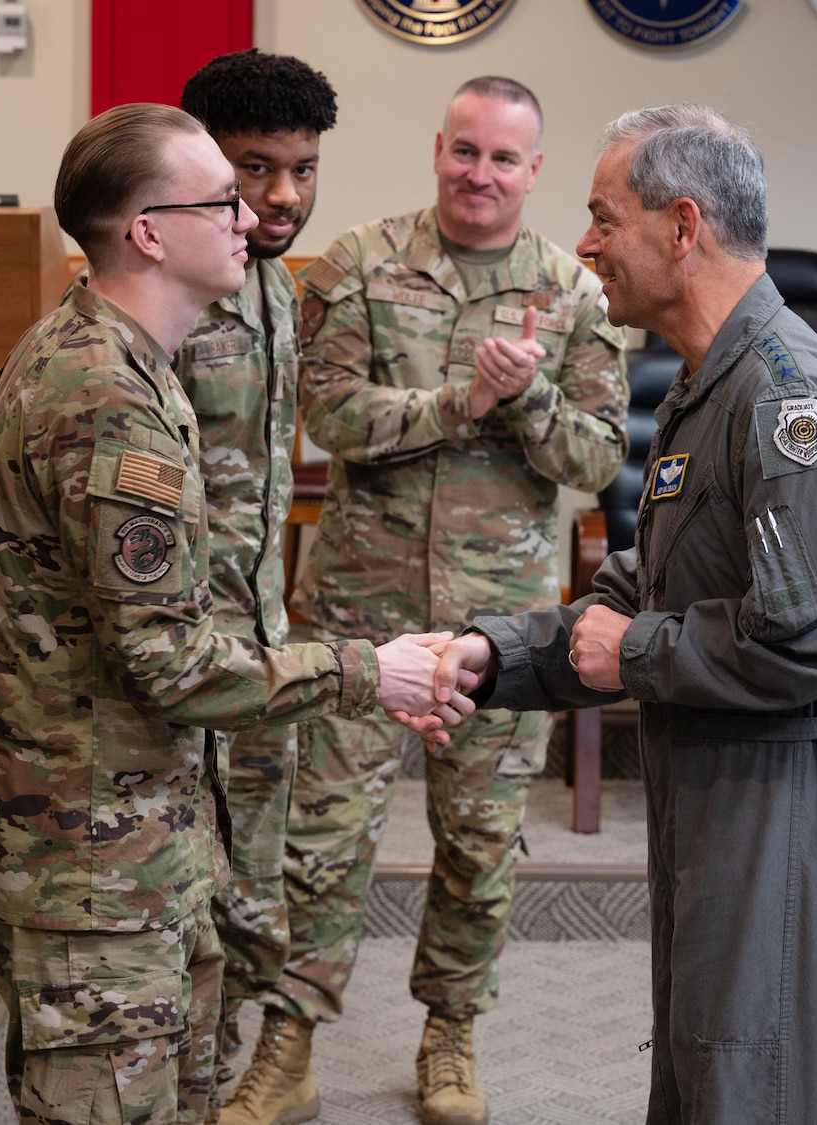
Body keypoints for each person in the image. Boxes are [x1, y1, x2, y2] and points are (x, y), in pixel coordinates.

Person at [0, 102, 467, 1125]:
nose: (252, 216)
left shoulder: (113, 357)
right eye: (221, 197)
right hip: (95, 865)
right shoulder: (106, 396)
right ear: (147, 232)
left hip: (135, 834)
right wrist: (374, 672)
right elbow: (170, 663)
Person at [432, 105, 817, 1125]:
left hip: (789, 789)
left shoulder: (785, 398)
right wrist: (491, 655)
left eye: (604, 216)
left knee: (759, 1083)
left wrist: (635, 654)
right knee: (708, 1070)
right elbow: (649, 590)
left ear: (680, 228)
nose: (586, 243)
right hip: (725, 771)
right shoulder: (709, 383)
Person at [221, 76, 628, 1125]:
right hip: (362, 615)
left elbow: (593, 459)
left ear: (533, 171)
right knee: (320, 840)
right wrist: (465, 401)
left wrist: (530, 393)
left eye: (503, 158)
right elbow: (327, 418)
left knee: (481, 843)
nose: (479, 174)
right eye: (464, 151)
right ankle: (289, 1042)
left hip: (501, 632)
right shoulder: (354, 266)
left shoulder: (573, 292)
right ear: (436, 150)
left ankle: (449, 1038)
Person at [172, 49, 339, 1085]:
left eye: (304, 168)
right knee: (180, 897)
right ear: (201, 163)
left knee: (251, 885)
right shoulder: (171, 292)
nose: (283, 194)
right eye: (255, 167)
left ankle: (221, 1062)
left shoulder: (273, 288)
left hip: (257, 648)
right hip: (176, 653)